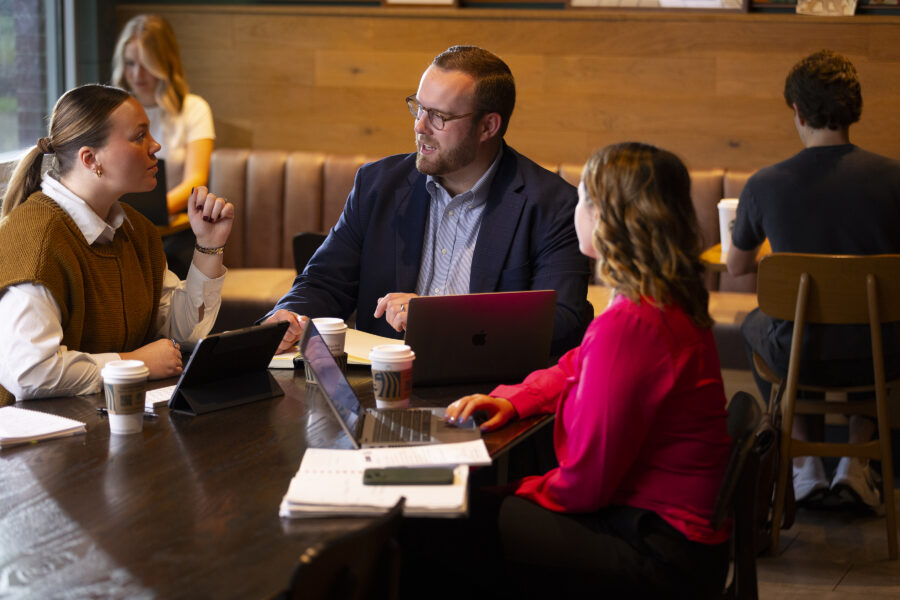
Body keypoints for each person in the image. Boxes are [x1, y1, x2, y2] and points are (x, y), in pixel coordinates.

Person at [430, 143, 731, 598]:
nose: (576, 209)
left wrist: (518, 490)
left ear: (608, 217)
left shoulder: (631, 322)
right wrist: (518, 398)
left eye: (583, 197)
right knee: (462, 511)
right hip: (680, 538)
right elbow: (582, 362)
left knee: (441, 520)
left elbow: (584, 486)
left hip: (655, 552)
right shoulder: (666, 297)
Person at [264, 45, 591, 358]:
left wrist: (441, 319)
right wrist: (288, 314)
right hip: (381, 385)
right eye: (419, 107)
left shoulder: (553, 206)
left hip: (486, 392)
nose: (420, 126)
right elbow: (324, 282)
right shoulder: (378, 185)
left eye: (439, 117)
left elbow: (562, 322)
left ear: (488, 126)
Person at [727, 50, 900, 509]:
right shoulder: (895, 179)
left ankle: (806, 468)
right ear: (853, 109)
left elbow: (738, 266)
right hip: (882, 355)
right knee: (874, 324)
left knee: (752, 323)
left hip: (799, 354)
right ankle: (858, 465)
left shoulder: (765, 183)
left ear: (798, 112)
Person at [0, 84, 233, 405]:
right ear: (90, 158)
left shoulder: (137, 230)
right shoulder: (37, 238)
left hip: (103, 421)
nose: (156, 146)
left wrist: (208, 246)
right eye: (139, 137)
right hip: (28, 442)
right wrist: (133, 363)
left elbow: (183, 332)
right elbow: (30, 373)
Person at [112, 14, 215, 278]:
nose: (136, 74)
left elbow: (196, 180)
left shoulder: (194, 109)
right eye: (130, 63)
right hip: (119, 225)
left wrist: (147, 213)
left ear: (164, 63)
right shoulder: (113, 112)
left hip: (174, 229)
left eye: (146, 64)